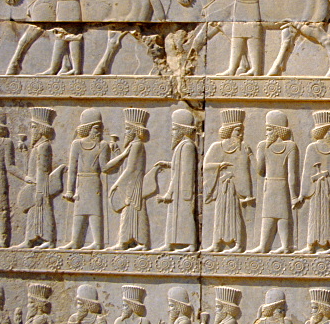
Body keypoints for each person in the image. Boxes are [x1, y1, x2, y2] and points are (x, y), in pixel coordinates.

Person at [201, 0, 271, 76]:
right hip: (255, 7)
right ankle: (254, 69)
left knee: (237, 38)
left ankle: (233, 69)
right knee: (253, 37)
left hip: (241, 7)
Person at [296, 111, 330, 254]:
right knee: (314, 217)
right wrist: (303, 194)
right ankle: (311, 245)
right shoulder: (312, 148)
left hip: (329, 191)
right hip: (316, 192)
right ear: (322, 132)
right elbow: (306, 173)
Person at [203, 109, 255, 253]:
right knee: (220, 216)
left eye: (241, 131)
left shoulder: (242, 148)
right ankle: (217, 243)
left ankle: (238, 244)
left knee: (235, 215)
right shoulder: (216, 147)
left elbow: (246, 170)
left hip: (234, 188)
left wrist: (246, 192)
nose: (240, 135)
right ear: (229, 131)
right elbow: (206, 166)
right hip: (222, 187)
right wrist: (218, 166)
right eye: (238, 132)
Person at [104, 108, 154, 251]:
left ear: (133, 130)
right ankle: (125, 241)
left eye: (127, 129)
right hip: (131, 182)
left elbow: (131, 169)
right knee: (128, 212)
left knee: (135, 211)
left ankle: (142, 243)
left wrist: (117, 183)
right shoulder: (133, 145)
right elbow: (124, 163)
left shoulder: (137, 145)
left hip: (134, 183)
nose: (125, 132)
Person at [61, 109, 111, 251]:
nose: (99, 131)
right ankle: (75, 242)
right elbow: (72, 169)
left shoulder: (103, 145)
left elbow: (105, 167)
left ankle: (98, 242)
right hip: (81, 181)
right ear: (88, 128)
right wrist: (70, 190)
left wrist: (123, 155)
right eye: (96, 128)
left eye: (101, 128)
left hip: (94, 181)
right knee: (79, 212)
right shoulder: (77, 144)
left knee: (95, 211)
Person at [253, 111, 299, 254]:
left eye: (268, 130)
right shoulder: (288, 146)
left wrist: (293, 196)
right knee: (271, 215)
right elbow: (261, 171)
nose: (266, 133)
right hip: (277, 184)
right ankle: (266, 246)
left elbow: (291, 174)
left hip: (277, 184)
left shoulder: (286, 146)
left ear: (277, 130)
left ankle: (284, 246)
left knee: (278, 215)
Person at [155, 109, 199, 252]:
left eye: (174, 129)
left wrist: (171, 192)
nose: (172, 133)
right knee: (174, 216)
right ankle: (170, 243)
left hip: (183, 189)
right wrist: (167, 164)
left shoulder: (187, 146)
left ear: (182, 130)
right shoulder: (182, 146)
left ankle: (191, 245)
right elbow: (178, 167)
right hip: (179, 188)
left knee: (185, 216)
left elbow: (183, 172)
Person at [19, 107, 61, 249]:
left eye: (33, 127)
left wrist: (40, 190)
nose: (31, 131)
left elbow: (43, 170)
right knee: (33, 212)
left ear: (40, 129)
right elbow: (32, 169)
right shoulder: (37, 146)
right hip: (35, 185)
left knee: (44, 210)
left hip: (41, 186)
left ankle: (48, 240)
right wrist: (25, 155)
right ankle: (30, 239)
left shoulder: (44, 147)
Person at [0, 108, 22, 248]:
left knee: (0, 209)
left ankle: (3, 240)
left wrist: (25, 177)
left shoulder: (6, 143)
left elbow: (10, 166)